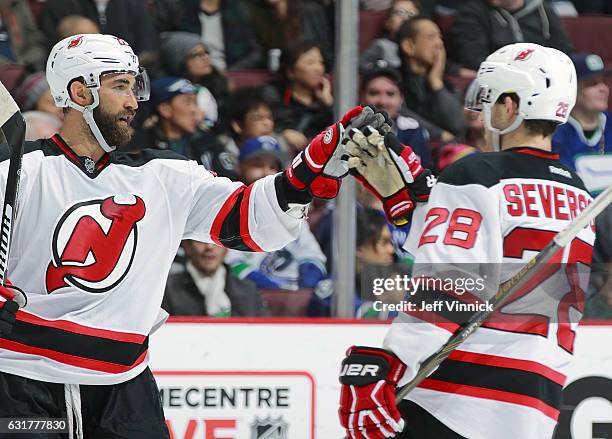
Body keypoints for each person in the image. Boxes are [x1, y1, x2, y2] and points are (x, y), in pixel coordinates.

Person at [0, 33, 387, 437]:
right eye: (119, 86)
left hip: (125, 390)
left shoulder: (166, 176)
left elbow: (249, 220)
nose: (133, 101)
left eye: (135, 86)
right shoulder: (19, 171)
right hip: (22, 381)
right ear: (79, 92)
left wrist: (306, 172)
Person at [338, 43, 595, 439]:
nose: (485, 112)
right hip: (535, 408)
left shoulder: (478, 172)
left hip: (456, 399)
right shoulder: (579, 195)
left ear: (511, 106)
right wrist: (421, 205)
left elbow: (452, 284)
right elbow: (495, 261)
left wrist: (391, 362)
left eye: (492, 100)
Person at [226, 136, 327, 291]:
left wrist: (305, 286)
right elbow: (234, 265)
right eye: (257, 165)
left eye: (272, 166)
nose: (266, 172)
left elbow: (313, 257)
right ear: (240, 168)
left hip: (296, 297)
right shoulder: (229, 210)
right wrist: (276, 290)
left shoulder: (292, 210)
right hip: (255, 297)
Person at [129, 76, 239, 179]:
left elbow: (230, 183)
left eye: (195, 103)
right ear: (165, 109)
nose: (195, 110)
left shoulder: (207, 143)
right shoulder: (140, 145)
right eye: (188, 102)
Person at [397, 17, 467, 142]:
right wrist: (438, 133)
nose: (439, 43)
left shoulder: (444, 84)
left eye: (440, 38)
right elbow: (394, 109)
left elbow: (458, 125)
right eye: (431, 37)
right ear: (409, 46)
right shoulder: (393, 80)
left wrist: (436, 82)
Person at [450, 0, 573, 71]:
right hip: (498, 82)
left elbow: (563, 52)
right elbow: (474, 59)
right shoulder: (472, 11)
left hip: (542, 77)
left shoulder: (543, 10)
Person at [163, 240, 266, 317]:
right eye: (201, 240)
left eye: (216, 240)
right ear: (187, 246)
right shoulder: (166, 289)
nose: (210, 247)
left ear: (227, 247)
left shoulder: (249, 290)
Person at [263, 40, 335, 146]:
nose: (318, 68)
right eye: (310, 63)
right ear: (290, 71)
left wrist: (330, 104)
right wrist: (281, 135)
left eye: (321, 63)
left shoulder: (325, 101)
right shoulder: (273, 95)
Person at [360, 67, 432, 169]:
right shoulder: (345, 130)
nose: (382, 101)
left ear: (401, 99)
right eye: (374, 93)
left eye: (390, 94)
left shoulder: (412, 129)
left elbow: (419, 177)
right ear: (361, 96)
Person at [553, 53, 612, 171]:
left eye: (604, 82)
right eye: (592, 83)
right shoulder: (556, 131)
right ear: (573, 89)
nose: (603, 89)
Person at [178, 0, 263, 70]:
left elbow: (254, 53)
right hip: (192, 73)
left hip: (230, 72)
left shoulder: (239, 12)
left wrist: (231, 72)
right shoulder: (182, 9)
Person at [360, 0, 421, 73]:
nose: (405, 18)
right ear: (388, 23)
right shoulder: (382, 46)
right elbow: (362, 64)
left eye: (411, 14)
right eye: (400, 12)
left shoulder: (421, 47)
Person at [0, 0, 46, 70]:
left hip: (26, 61)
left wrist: (24, 61)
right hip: (5, 67)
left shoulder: (19, 4)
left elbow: (34, 37)